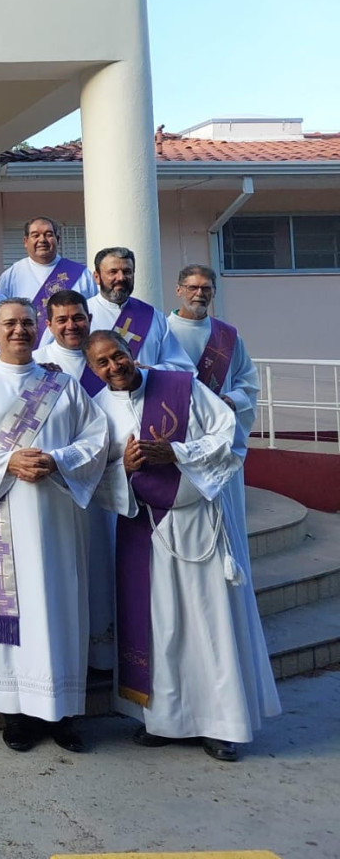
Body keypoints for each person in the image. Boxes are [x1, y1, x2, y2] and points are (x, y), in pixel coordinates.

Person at [86, 329, 280, 761]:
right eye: (102, 363)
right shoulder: (97, 410)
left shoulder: (179, 385)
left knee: (209, 624)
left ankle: (220, 725)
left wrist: (177, 453)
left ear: (131, 352)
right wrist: (125, 465)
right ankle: (166, 720)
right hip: (145, 530)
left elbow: (227, 433)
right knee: (162, 626)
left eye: (118, 356)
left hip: (198, 524)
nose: (114, 367)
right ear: (92, 369)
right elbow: (94, 475)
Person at [0, 299, 109, 754]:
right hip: (2, 516)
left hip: (57, 518)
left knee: (58, 607)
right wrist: (7, 462)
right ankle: (16, 713)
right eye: (10, 324)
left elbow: (95, 438)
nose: (19, 331)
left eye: (27, 324)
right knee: (10, 616)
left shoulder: (63, 385)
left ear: (40, 331)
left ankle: (63, 712)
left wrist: (59, 459)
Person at [166, 264, 277, 707]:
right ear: (178, 290)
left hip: (220, 450)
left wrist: (234, 398)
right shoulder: (162, 329)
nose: (200, 294)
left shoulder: (228, 336)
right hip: (176, 448)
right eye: (192, 287)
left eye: (206, 289)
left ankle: (234, 600)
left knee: (226, 533)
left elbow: (248, 382)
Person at [32, 289, 116, 670]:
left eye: (78, 317)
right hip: (61, 484)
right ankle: (67, 656)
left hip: (108, 482)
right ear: (48, 325)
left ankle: (103, 653)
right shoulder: (37, 364)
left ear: (89, 319)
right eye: (62, 319)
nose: (71, 325)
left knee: (103, 567)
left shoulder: (108, 360)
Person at [87, 247, 193, 370]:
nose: (121, 278)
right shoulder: (81, 315)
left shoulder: (154, 317)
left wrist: (152, 371)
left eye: (127, 271)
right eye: (113, 272)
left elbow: (180, 366)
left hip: (145, 388)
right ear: (96, 277)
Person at [0, 217, 95, 341]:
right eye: (35, 235)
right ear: (25, 241)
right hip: (27, 352)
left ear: (57, 240)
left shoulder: (82, 274)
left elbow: (93, 316)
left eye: (48, 235)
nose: (42, 240)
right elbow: (1, 317)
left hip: (73, 350)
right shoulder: (10, 276)